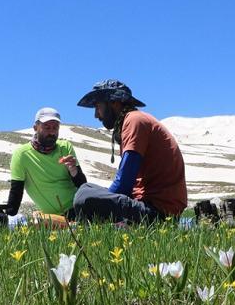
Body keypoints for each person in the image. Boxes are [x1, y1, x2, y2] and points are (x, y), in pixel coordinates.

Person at [72, 79, 187, 222]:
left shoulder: (134, 121)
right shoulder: (135, 120)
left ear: (114, 102)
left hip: (157, 211)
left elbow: (124, 183)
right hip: (153, 206)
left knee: (84, 196)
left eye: (98, 106)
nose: (96, 115)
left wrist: (104, 202)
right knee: (86, 188)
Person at [5, 107, 87, 216]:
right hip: (54, 216)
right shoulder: (22, 155)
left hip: (79, 206)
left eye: (55, 128)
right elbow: (16, 191)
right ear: (35, 127)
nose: (52, 132)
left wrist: (74, 170)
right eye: (47, 127)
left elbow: (82, 185)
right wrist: (8, 217)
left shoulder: (65, 147)